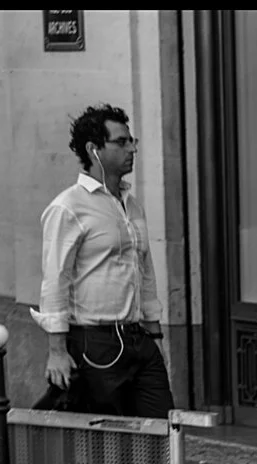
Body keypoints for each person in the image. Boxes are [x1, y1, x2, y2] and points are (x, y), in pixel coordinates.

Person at [38, 104, 172, 415]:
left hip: (139, 338)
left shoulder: (131, 204)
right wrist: (57, 351)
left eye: (132, 141)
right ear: (93, 149)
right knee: (107, 441)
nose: (132, 148)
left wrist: (155, 336)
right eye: (122, 142)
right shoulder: (68, 207)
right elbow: (55, 281)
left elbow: (145, 272)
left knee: (161, 426)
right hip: (96, 342)